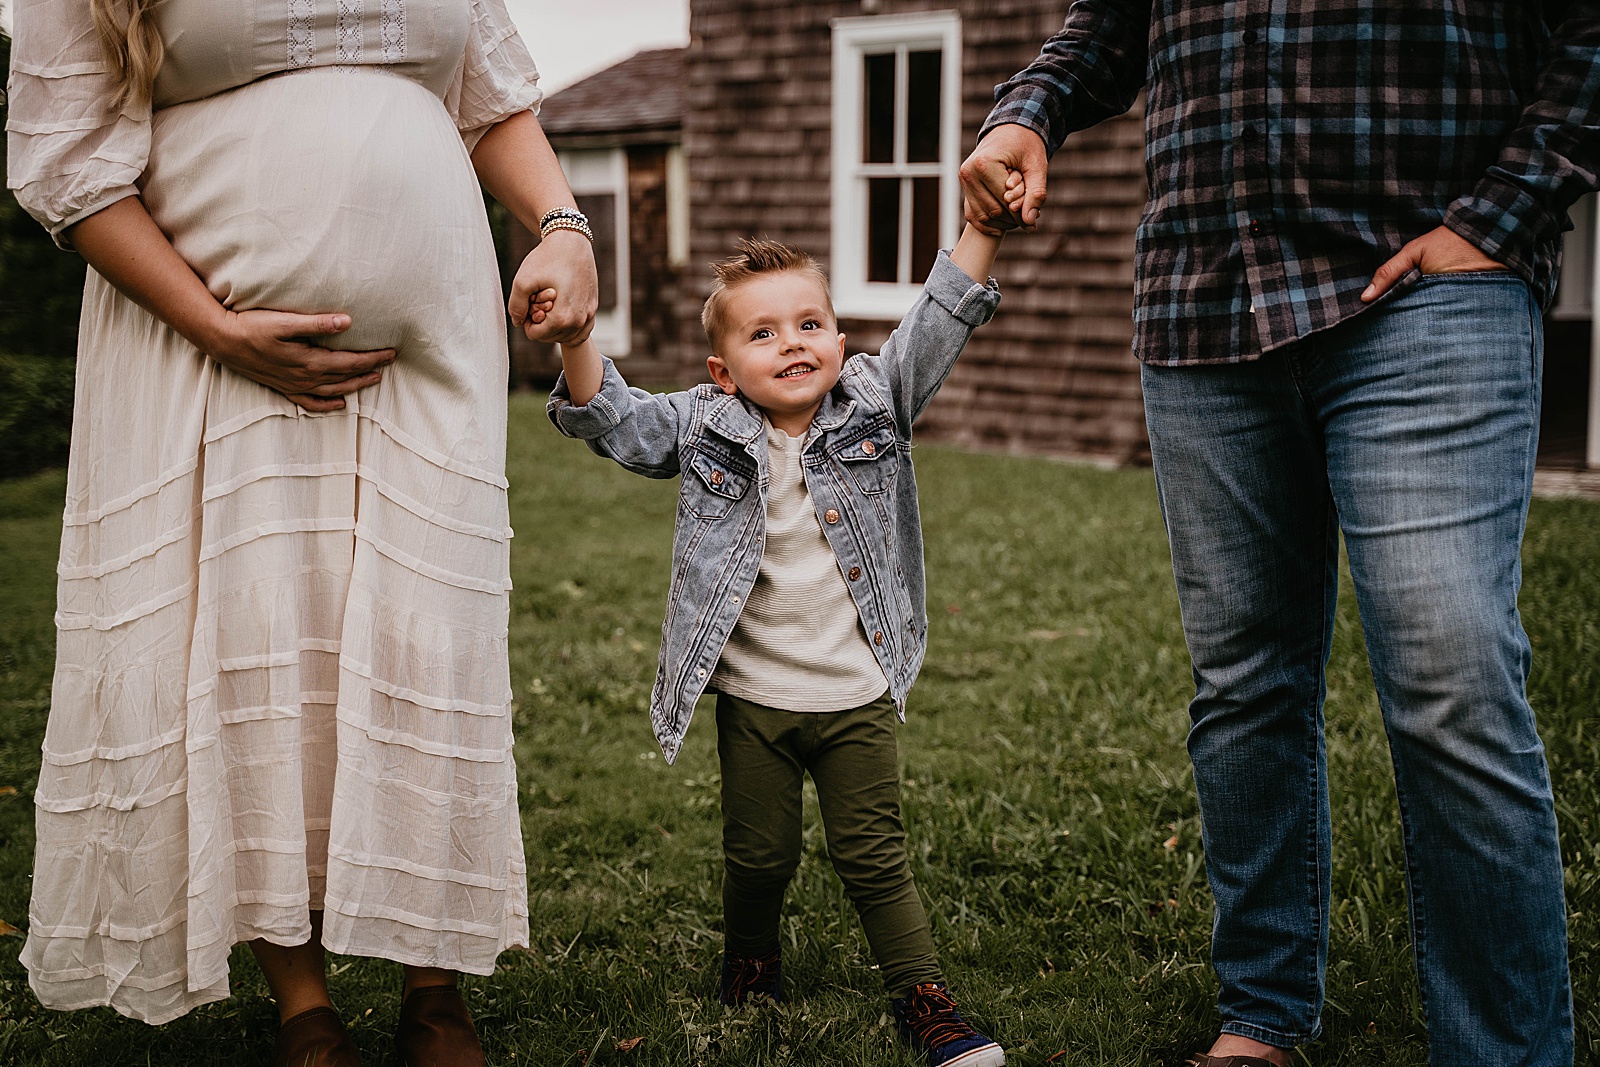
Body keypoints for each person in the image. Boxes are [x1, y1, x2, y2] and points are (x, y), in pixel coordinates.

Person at [960, 3, 1598, 1065]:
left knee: (1452, 677)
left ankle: (1503, 1050)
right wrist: (1023, 116)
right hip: (1202, 294)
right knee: (1244, 683)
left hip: (1425, 285)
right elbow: (1112, 21)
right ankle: (1262, 1015)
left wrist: (1500, 215)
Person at [6, 1, 597, 1064]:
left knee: (426, 629)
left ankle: (434, 979)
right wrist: (217, 324)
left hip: (432, 354)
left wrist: (564, 225)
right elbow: (69, 165)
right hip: (203, 346)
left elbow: (490, 100)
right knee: (256, 639)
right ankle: (302, 999)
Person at [546, 228, 1012, 1067]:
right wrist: (579, 338)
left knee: (874, 857)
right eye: (762, 333)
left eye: (808, 323)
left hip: (855, 694)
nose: (791, 342)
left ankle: (924, 997)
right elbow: (614, 424)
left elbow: (942, 319)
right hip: (756, 699)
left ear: (840, 339)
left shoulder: (877, 397)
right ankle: (752, 960)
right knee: (758, 857)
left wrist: (981, 230)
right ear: (724, 370)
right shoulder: (706, 425)